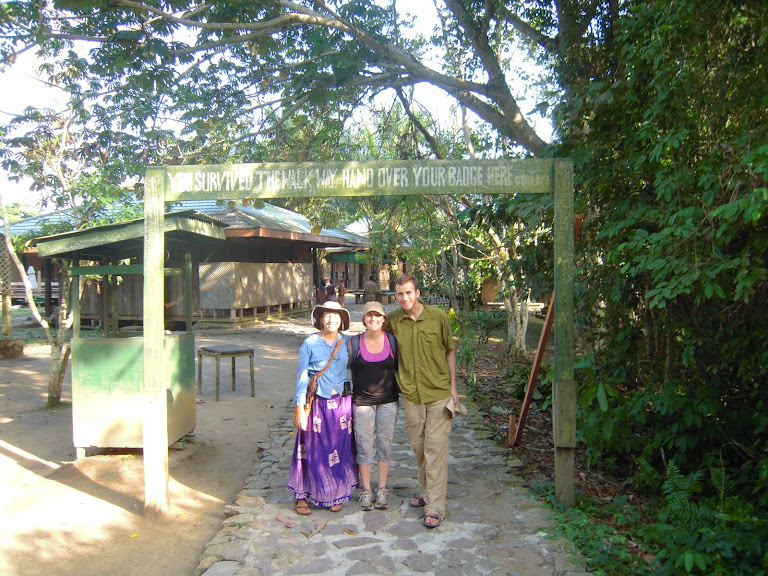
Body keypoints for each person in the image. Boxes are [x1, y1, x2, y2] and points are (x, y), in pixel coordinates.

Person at [386, 273, 457, 528]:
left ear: (417, 293)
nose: (404, 298)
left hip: (438, 393)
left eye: (408, 293)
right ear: (395, 296)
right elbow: (376, 338)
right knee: (419, 448)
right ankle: (429, 492)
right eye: (399, 294)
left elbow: (450, 350)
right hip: (411, 396)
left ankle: (435, 507)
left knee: (435, 449)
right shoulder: (393, 320)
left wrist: (454, 388)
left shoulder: (438, 317)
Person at [288, 301, 357, 515]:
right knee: (311, 449)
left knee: (338, 449)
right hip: (316, 403)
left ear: (342, 321)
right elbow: (301, 377)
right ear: (320, 319)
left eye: (336, 316)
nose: (331, 320)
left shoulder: (347, 342)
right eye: (327, 315)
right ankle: (302, 495)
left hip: (341, 405)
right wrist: (300, 407)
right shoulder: (309, 343)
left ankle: (334, 492)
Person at [348, 300, 398, 511]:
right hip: (362, 402)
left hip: (388, 401)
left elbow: (398, 367)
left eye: (377, 315)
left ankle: (382, 488)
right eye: (369, 315)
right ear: (364, 319)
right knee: (364, 445)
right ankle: (367, 490)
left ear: (383, 319)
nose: (373, 319)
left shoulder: (392, 341)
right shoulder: (354, 343)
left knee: (385, 445)